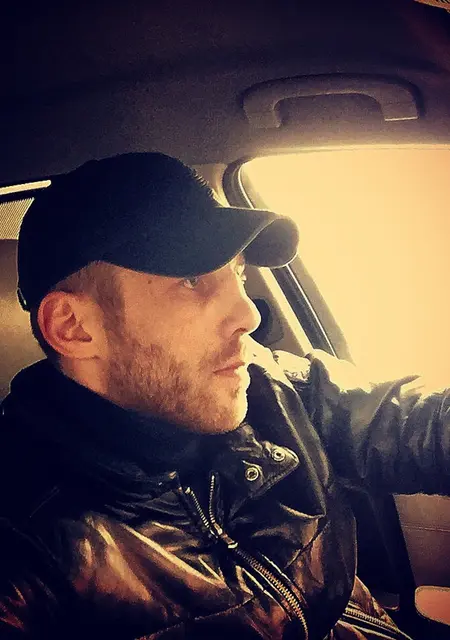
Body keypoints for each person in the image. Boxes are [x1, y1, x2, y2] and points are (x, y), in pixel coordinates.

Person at [0, 152, 448, 640]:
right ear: (73, 327)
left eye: (238, 273)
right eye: (191, 281)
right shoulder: (26, 547)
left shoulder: (268, 388)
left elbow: (413, 421)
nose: (249, 315)